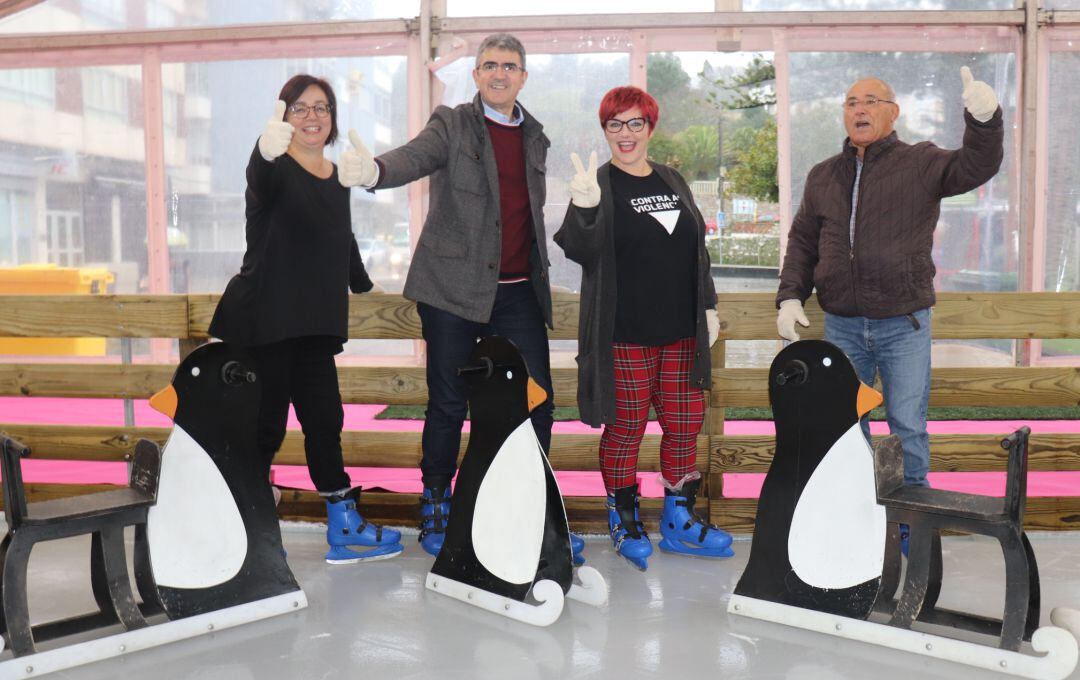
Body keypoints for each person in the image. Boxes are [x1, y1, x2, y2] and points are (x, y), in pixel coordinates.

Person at [336, 34, 585, 563]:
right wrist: (374, 172)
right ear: (475, 75)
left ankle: (532, 505)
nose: (499, 74)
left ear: (523, 75)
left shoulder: (535, 136)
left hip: (518, 294)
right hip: (450, 290)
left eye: (510, 66)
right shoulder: (452, 122)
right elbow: (413, 158)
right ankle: (437, 503)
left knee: (536, 402)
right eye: (489, 65)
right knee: (448, 402)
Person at [776, 67, 1003, 497]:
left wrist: (985, 120)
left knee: (906, 425)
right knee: (842, 424)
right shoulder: (823, 175)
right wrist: (790, 296)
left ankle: (910, 522)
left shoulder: (921, 162)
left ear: (894, 113)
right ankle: (856, 514)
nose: (859, 109)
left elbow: (976, 165)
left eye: (870, 102)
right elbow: (803, 241)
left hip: (904, 324)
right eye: (851, 103)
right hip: (842, 325)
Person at [209, 74, 403, 565]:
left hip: (314, 322)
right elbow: (260, 177)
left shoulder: (338, 175)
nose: (312, 116)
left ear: (333, 118)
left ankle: (342, 526)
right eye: (300, 108)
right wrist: (262, 150)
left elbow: (342, 236)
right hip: (265, 319)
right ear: (283, 116)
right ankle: (242, 520)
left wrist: (362, 283)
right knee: (265, 427)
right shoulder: (273, 168)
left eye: (322, 107)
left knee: (325, 420)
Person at [554, 86, 733, 571]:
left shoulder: (673, 178)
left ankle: (678, 521)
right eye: (615, 124)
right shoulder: (597, 184)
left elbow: (696, 250)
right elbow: (578, 249)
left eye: (635, 123)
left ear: (651, 127)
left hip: (681, 332)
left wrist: (709, 307)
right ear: (605, 131)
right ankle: (625, 518)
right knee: (627, 427)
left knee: (684, 425)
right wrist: (586, 208)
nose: (626, 133)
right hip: (624, 334)